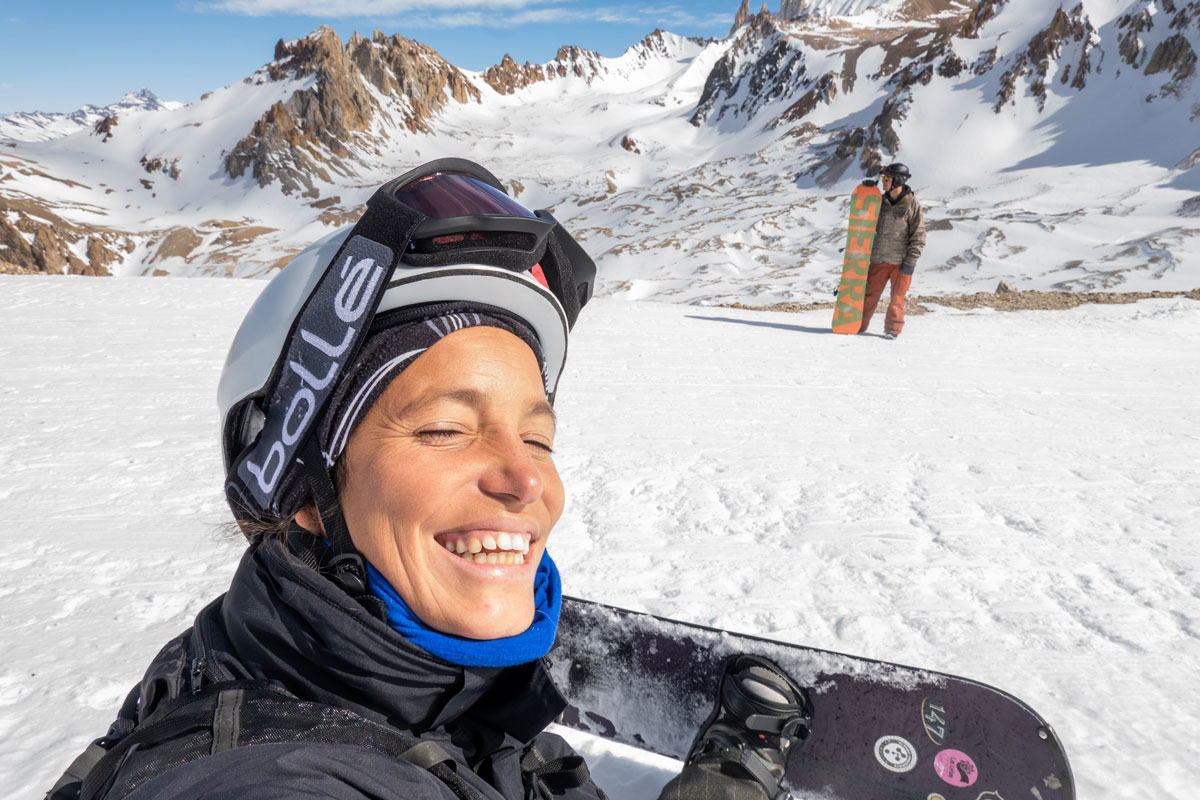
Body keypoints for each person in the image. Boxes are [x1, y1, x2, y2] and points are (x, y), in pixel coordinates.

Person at [45, 159, 812, 800]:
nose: (526, 479)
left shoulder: (249, 658)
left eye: (538, 437)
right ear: (304, 492)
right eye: (445, 429)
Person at [858, 163, 926, 340]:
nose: (884, 182)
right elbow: (861, 218)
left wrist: (910, 262)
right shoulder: (878, 202)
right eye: (883, 178)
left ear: (899, 180)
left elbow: (919, 235)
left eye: (887, 178)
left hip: (900, 262)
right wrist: (866, 194)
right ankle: (858, 325)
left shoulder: (912, 204)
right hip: (878, 259)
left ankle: (893, 329)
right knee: (869, 297)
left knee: (897, 298)